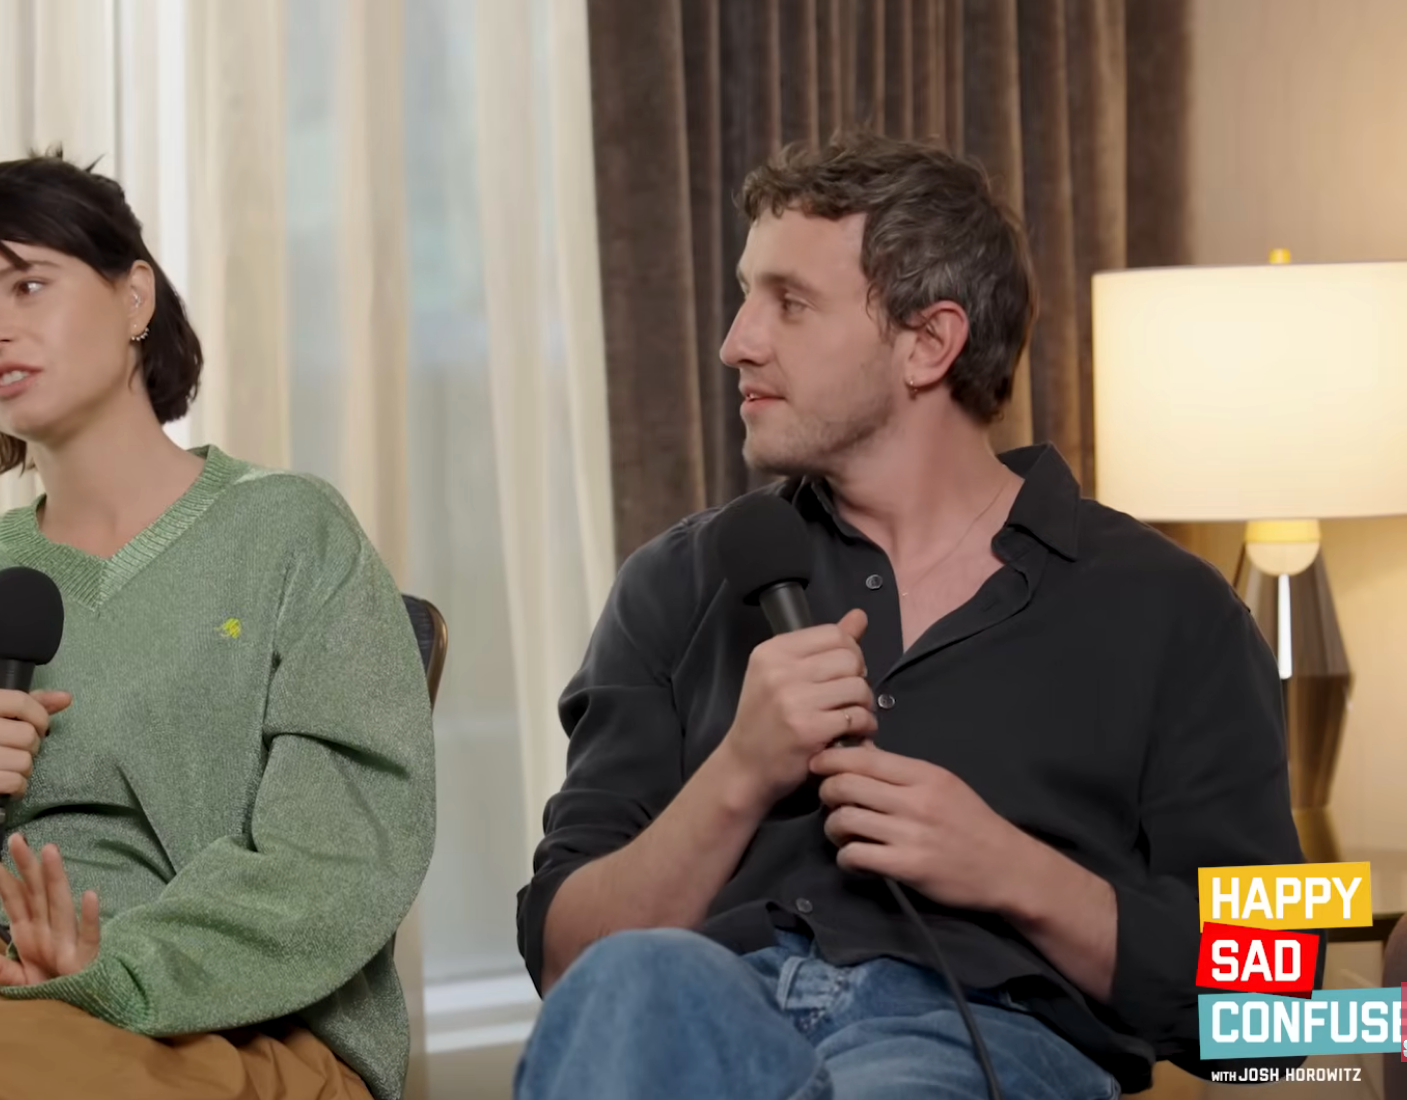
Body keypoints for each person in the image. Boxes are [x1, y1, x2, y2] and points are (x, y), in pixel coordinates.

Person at [513, 133, 1303, 1100]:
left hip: (974, 1039)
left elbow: (1280, 1008)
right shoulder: (677, 583)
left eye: (789, 302)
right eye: (747, 294)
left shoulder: (1171, 609)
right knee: (636, 979)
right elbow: (571, 969)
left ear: (928, 343)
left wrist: (1015, 871)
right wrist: (740, 773)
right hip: (705, 1023)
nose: (736, 342)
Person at [0, 153, 436, 1100]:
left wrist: (116, 971)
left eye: (26, 284)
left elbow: (339, 862)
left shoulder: (290, 533)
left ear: (134, 295)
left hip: (232, 1020)